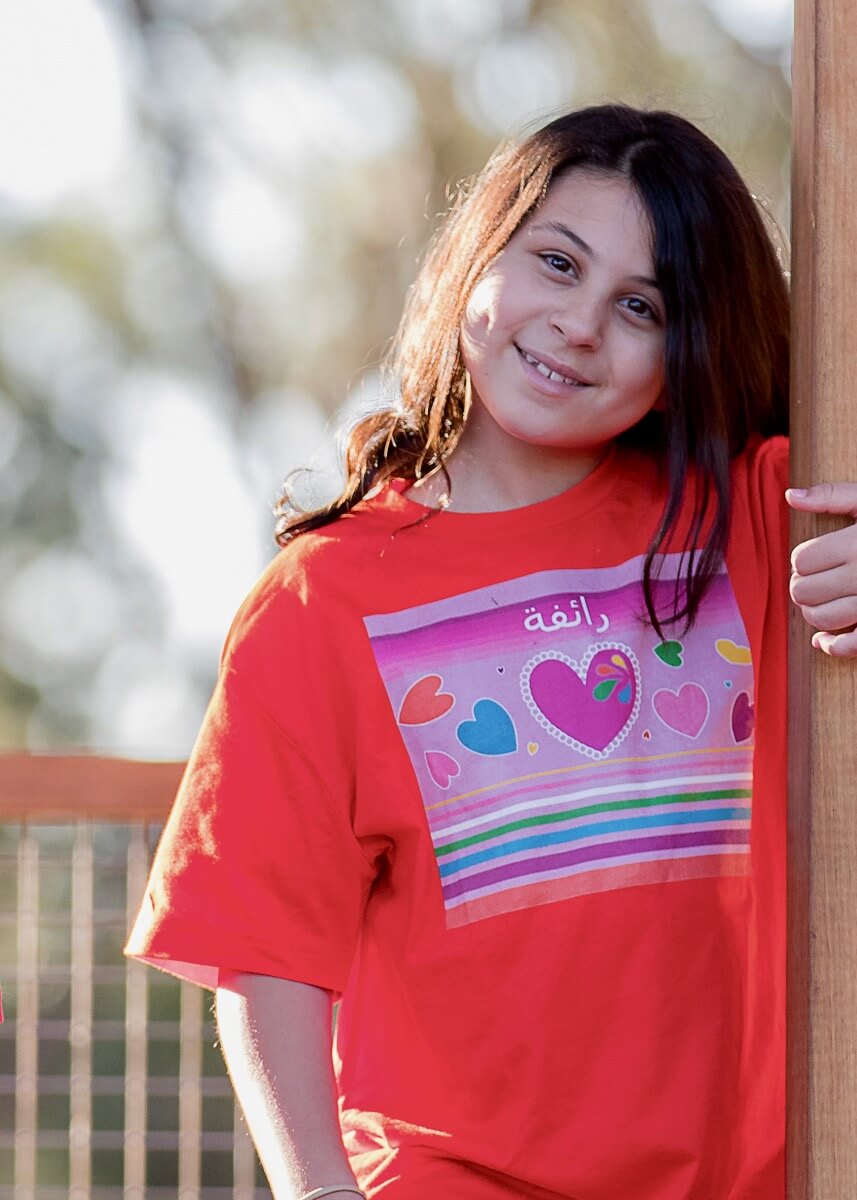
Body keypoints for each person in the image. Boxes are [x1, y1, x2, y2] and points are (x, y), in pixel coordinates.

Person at [125, 104, 857, 1200]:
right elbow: (268, 952)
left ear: (685, 346)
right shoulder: (320, 605)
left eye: (638, 305)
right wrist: (318, 1191)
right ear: (477, 259)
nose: (576, 324)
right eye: (554, 263)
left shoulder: (755, 519)